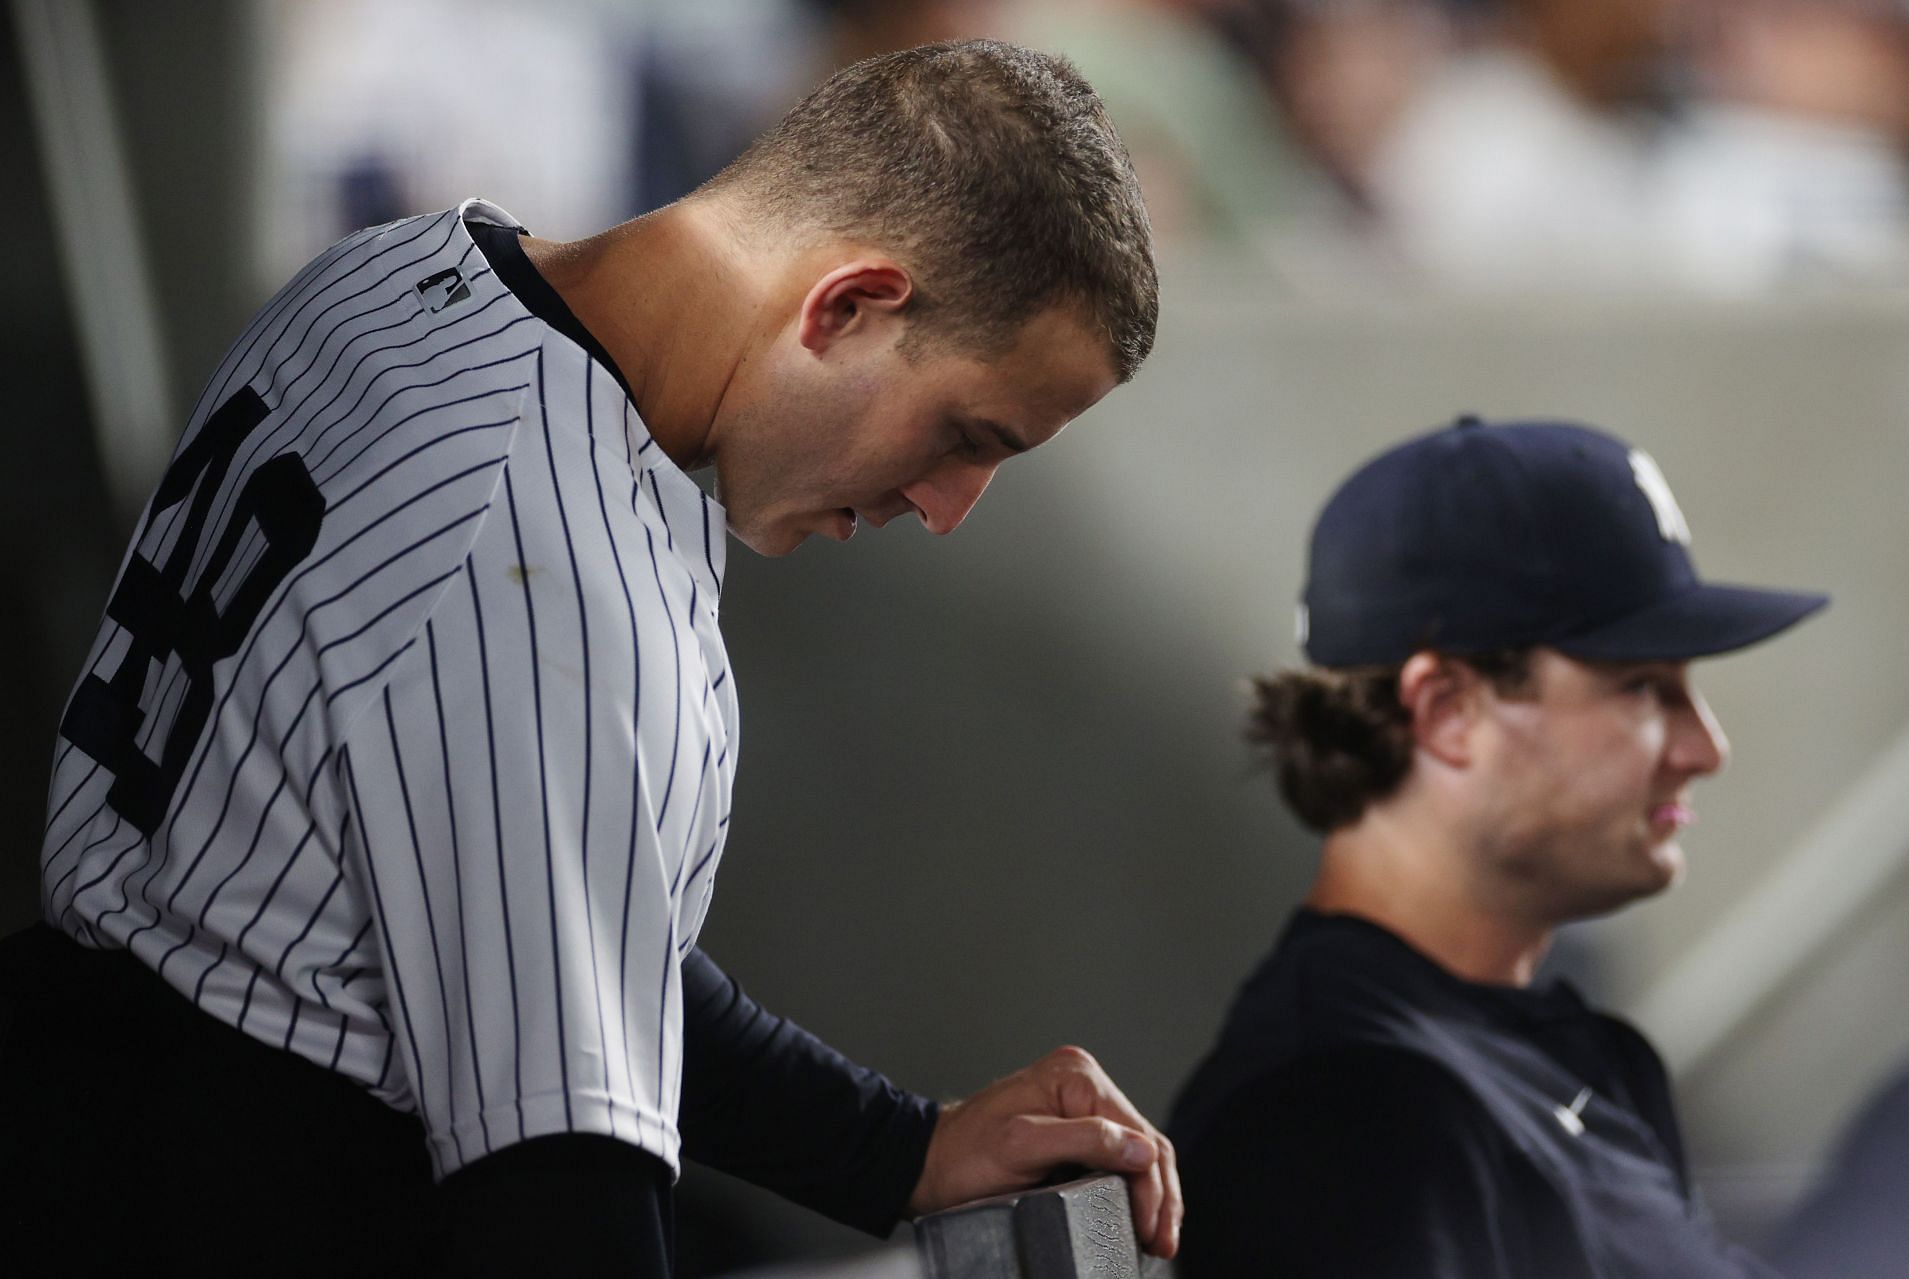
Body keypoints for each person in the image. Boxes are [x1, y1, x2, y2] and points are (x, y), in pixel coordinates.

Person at [1, 40, 1180, 1274]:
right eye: (967, 433)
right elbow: (558, 1212)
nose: (949, 505)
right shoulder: (548, 571)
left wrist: (899, 1147)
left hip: (89, 1095)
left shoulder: (397, 274)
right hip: (224, 1202)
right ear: (846, 305)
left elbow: (556, 927)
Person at [1169, 416, 1826, 1276]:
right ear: (1446, 709)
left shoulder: (1574, 1056)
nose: (1705, 747)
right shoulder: (1342, 1112)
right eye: (1642, 687)